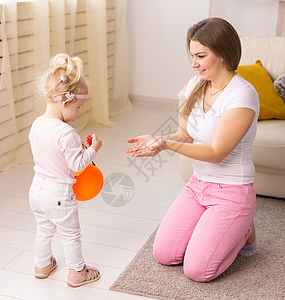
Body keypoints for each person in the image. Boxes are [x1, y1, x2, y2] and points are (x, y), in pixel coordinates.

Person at [125, 18, 259, 282]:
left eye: (200, 56)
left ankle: (244, 229)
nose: (194, 63)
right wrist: (158, 141)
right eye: (192, 56)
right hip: (198, 186)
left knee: (198, 271)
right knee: (165, 254)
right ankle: (217, 227)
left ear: (222, 54)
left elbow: (217, 152)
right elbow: (184, 135)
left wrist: (166, 145)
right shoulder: (195, 85)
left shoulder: (242, 95)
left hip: (232, 191)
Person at [28, 53, 102, 287]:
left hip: (37, 191)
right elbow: (77, 165)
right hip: (59, 195)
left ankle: (41, 265)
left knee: (44, 229)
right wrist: (92, 149)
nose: (78, 113)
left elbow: (49, 153)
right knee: (71, 236)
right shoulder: (66, 132)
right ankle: (77, 272)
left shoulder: (37, 124)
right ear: (65, 101)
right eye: (79, 107)